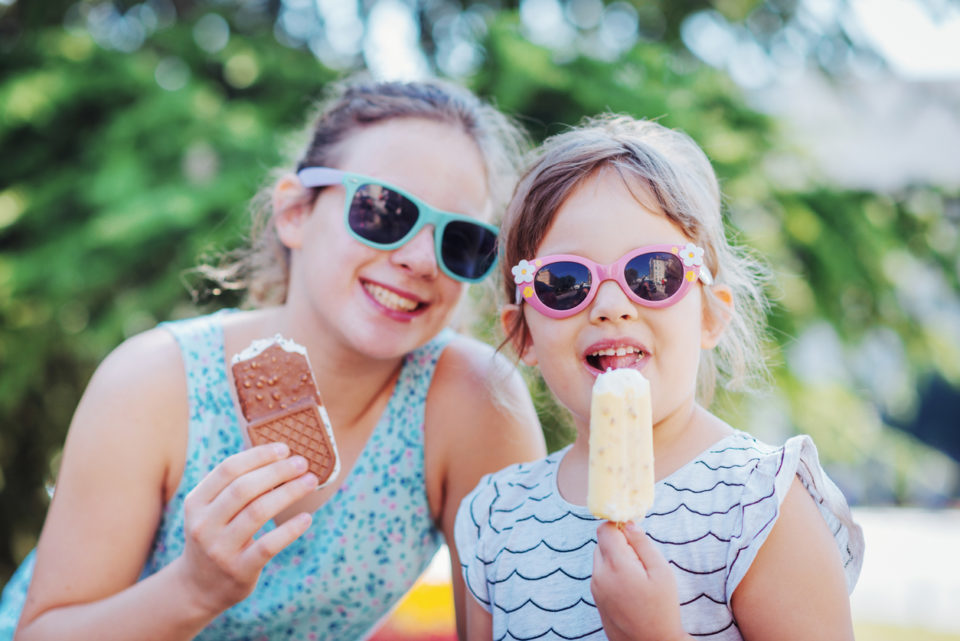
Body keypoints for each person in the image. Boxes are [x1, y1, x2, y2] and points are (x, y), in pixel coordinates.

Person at [0, 77, 546, 641]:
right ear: (293, 212)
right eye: (383, 211)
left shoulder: (476, 403)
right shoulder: (153, 383)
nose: (418, 259)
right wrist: (194, 590)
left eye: (461, 241)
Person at [454, 115, 864, 641]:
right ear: (524, 334)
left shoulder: (760, 502)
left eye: (653, 273)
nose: (610, 306)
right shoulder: (494, 517)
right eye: (564, 282)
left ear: (711, 315)